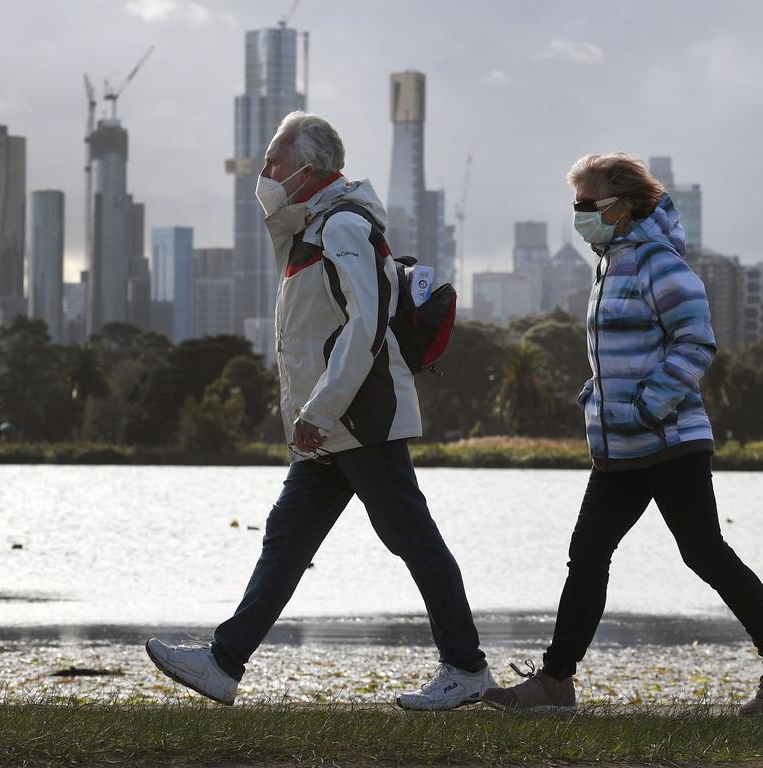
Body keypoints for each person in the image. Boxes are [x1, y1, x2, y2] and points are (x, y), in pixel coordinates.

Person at [146, 111, 495, 709]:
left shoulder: (342, 227)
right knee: (287, 538)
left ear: (310, 169)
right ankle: (224, 664)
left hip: (357, 419)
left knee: (412, 538)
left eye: (275, 161)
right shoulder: (312, 227)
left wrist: (320, 408)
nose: (265, 172)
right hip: (329, 426)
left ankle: (466, 669)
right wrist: (315, 415)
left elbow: (368, 326)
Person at [483, 153, 763, 714]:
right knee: (587, 554)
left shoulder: (659, 260)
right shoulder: (611, 261)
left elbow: (696, 342)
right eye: (575, 203)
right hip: (621, 443)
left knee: (704, 552)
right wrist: (601, 398)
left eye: (588, 204)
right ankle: (556, 684)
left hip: (669, 439)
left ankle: (556, 681)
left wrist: (646, 404)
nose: (579, 213)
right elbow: (622, 353)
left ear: (624, 204)